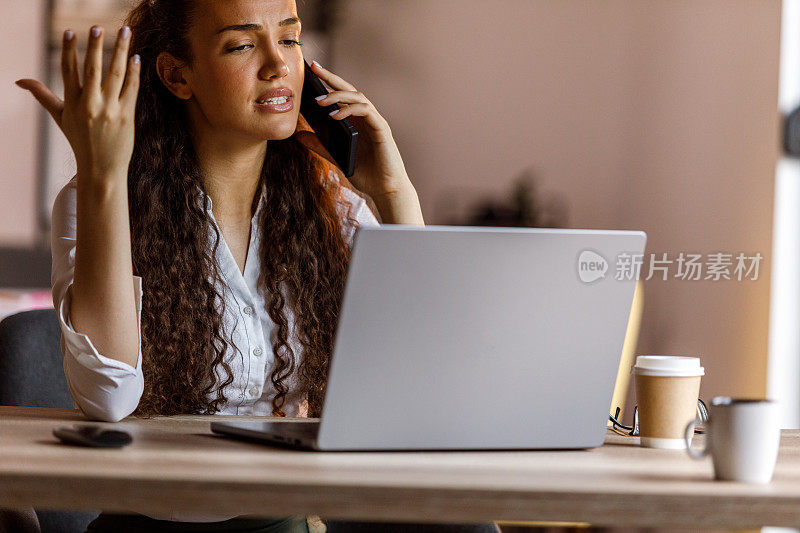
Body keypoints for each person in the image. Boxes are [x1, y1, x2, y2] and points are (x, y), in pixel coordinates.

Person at [15, 0, 500, 531]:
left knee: (468, 524)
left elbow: (430, 379)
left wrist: (393, 193)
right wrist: (104, 176)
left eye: (290, 39)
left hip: (285, 520)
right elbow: (108, 397)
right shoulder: (98, 201)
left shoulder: (330, 202)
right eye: (243, 44)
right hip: (155, 524)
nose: (278, 65)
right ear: (178, 75)